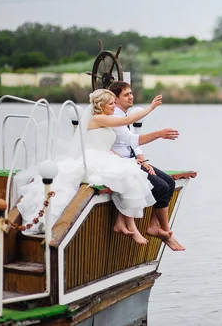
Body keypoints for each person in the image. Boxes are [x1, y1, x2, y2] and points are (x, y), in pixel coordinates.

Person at [17, 89, 163, 245]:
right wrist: (150, 108)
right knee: (128, 174)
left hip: (104, 156)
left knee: (132, 172)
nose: (114, 106)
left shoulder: (104, 120)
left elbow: (103, 143)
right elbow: (125, 122)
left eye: (114, 103)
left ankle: (123, 224)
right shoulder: (97, 118)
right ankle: (130, 226)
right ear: (101, 105)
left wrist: (117, 156)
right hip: (93, 159)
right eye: (111, 103)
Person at [108, 81, 185, 251]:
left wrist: (142, 160)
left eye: (131, 93)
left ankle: (154, 226)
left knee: (169, 182)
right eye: (126, 94)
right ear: (116, 98)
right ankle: (165, 232)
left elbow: (134, 145)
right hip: (122, 162)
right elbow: (131, 140)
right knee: (159, 186)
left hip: (134, 159)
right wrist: (159, 134)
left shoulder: (125, 116)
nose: (131, 97)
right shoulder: (113, 117)